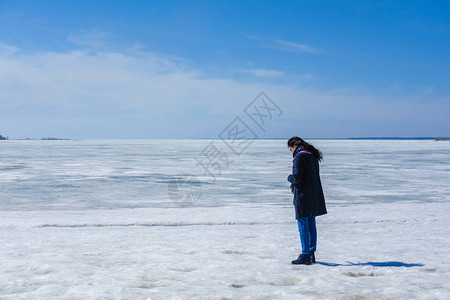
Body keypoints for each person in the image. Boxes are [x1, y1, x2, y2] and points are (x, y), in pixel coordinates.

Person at [287, 137, 327, 265]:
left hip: (304, 196)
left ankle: (305, 254)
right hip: (314, 194)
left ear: (294, 146)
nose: (291, 152)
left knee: (303, 224)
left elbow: (298, 178)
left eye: (290, 149)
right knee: (311, 224)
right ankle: (311, 253)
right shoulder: (312, 155)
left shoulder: (300, 157)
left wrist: (290, 178)